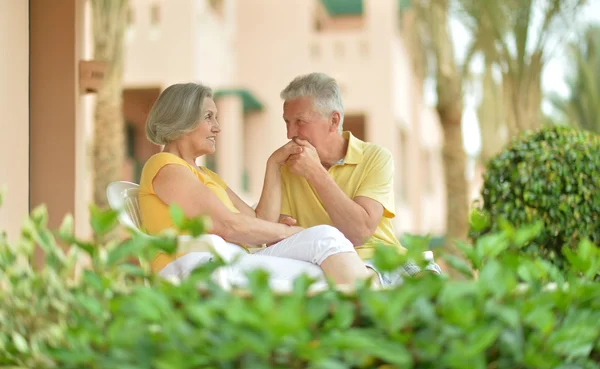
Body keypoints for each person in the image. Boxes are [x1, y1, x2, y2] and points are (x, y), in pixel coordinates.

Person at [137, 82, 372, 288]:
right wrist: (291, 232)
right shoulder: (165, 167)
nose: (217, 127)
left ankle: (372, 309)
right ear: (181, 120)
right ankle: (379, 309)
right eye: (208, 117)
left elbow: (259, 222)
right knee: (322, 247)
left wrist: (274, 164)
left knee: (322, 256)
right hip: (192, 266)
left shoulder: (205, 174)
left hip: (228, 259)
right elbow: (227, 225)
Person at [260, 72, 441, 286]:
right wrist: (273, 164)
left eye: (300, 121)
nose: (290, 133)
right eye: (287, 122)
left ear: (333, 120)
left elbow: (359, 232)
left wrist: (314, 172)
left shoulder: (375, 158)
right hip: (325, 269)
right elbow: (271, 240)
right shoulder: (287, 168)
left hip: (382, 264)